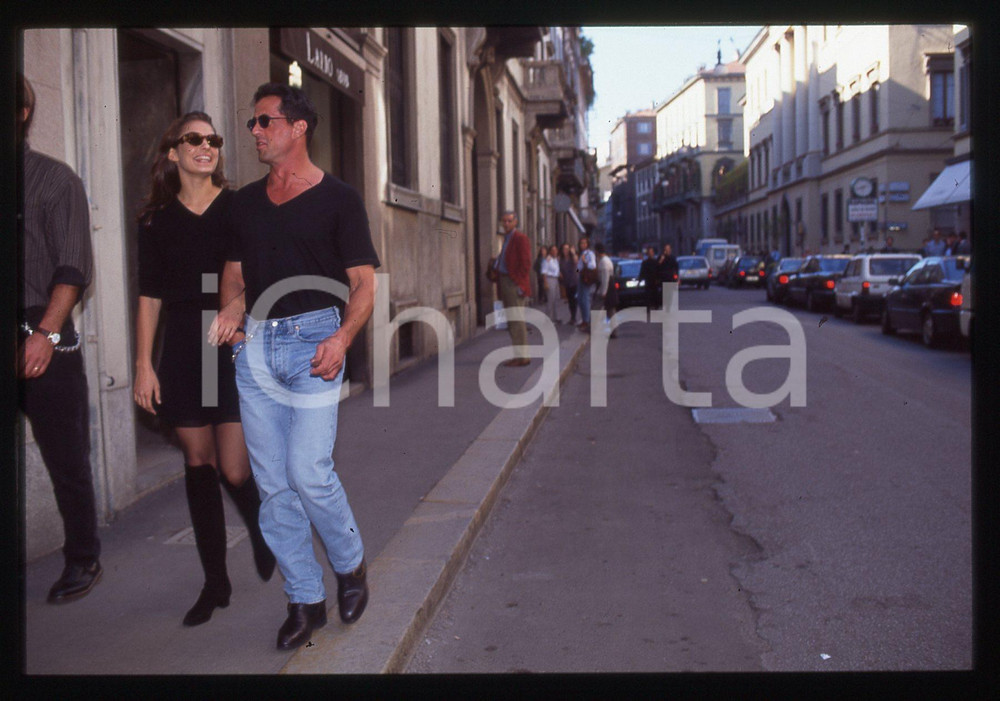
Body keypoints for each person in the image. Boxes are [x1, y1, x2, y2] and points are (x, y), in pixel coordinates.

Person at [209, 83, 378, 650]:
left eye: (265, 121)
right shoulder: (243, 203)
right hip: (257, 348)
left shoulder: (339, 199)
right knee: (274, 486)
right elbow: (234, 277)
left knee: (309, 471)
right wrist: (231, 313)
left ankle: (350, 566)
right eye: (253, 123)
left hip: (315, 344)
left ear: (298, 127)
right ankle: (305, 598)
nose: (254, 132)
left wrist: (342, 337)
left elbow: (363, 284)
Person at [133, 111, 275, 627]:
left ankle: (262, 529)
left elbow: (254, 272)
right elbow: (149, 296)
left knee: (234, 467)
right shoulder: (155, 221)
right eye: (193, 139)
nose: (205, 146)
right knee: (198, 462)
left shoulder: (238, 207)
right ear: (173, 152)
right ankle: (215, 583)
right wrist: (143, 365)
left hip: (230, 341)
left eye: (212, 139)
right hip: (183, 348)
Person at [17, 73, 102, 604]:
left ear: (20, 112)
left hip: (40, 330)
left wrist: (45, 334)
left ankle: (83, 557)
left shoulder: (53, 180)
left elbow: (73, 268)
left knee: (65, 459)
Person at [490, 210, 532, 366]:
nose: (506, 224)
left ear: (515, 222)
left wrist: (519, 283)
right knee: (512, 319)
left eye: (509, 221)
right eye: (504, 221)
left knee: (516, 320)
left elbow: (526, 263)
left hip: (513, 282)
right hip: (505, 281)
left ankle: (522, 357)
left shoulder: (520, 238)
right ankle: (519, 355)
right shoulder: (507, 238)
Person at [593, 243, 618, 339]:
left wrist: (603, 292)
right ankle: (614, 331)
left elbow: (605, 278)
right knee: (610, 310)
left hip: (607, 288)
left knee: (596, 308)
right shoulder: (605, 260)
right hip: (609, 287)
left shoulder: (603, 262)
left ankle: (594, 328)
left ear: (597, 251)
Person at [576, 236, 597, 333]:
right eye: (581, 243)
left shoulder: (589, 254)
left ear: (587, 244)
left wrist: (585, 261)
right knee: (580, 299)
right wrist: (576, 272)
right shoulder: (582, 253)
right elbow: (579, 267)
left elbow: (592, 265)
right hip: (581, 276)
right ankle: (584, 319)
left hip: (586, 278)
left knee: (585, 299)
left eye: (584, 243)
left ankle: (587, 321)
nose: (583, 245)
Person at [559, 243, 579, 326]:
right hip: (566, 282)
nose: (566, 251)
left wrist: (573, 253)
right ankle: (572, 317)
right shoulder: (561, 260)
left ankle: (574, 317)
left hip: (574, 281)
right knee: (570, 300)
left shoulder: (572, 258)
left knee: (574, 300)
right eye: (564, 249)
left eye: (567, 249)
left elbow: (576, 262)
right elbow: (558, 267)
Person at [541, 244, 562, 323]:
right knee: (550, 300)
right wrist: (545, 282)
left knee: (555, 300)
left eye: (556, 250)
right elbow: (544, 272)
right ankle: (548, 319)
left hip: (555, 280)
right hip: (549, 280)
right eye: (553, 250)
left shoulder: (555, 259)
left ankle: (554, 318)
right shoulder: (548, 260)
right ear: (550, 251)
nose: (554, 252)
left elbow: (556, 270)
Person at [638, 246, 661, 312]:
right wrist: (640, 280)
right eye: (649, 252)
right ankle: (648, 307)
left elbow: (658, 271)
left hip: (655, 281)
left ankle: (656, 306)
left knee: (655, 294)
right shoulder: (645, 263)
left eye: (652, 252)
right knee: (648, 295)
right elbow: (642, 272)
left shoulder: (656, 262)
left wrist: (658, 279)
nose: (651, 254)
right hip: (648, 281)